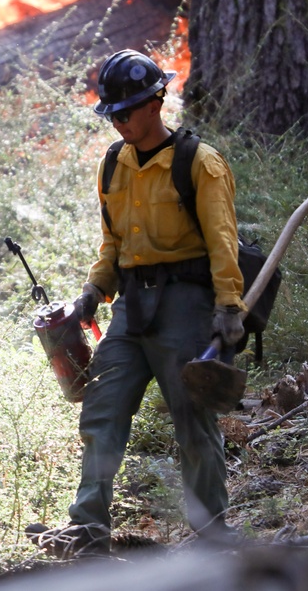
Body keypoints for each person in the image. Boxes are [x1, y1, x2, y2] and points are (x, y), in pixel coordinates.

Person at [27, 49, 246, 558]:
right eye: (112, 115)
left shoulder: (200, 163)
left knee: (192, 420)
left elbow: (222, 241)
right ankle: (87, 531)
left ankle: (212, 535)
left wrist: (229, 307)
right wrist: (93, 292)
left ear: (155, 103)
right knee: (101, 412)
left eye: (125, 112)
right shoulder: (112, 164)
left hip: (187, 305)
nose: (119, 123)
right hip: (130, 308)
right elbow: (113, 245)